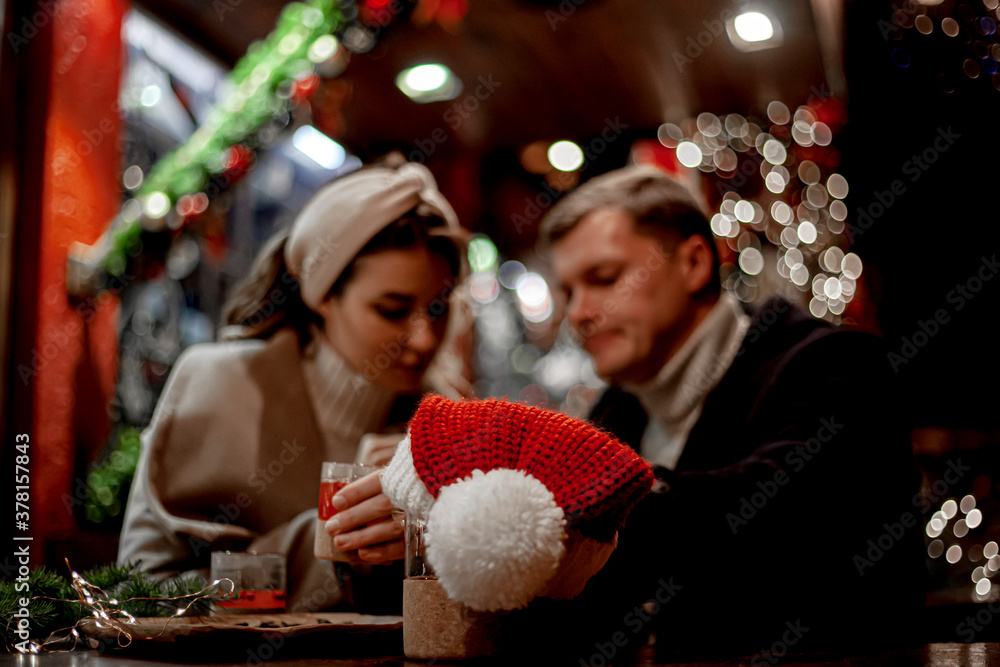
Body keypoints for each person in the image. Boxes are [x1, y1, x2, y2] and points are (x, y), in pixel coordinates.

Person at [534, 165, 923, 659]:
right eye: (567, 292)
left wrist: (558, 484)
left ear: (695, 263)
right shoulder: (617, 409)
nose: (578, 313)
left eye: (604, 278)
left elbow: (769, 520)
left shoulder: (833, 365)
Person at [118, 161, 469, 613]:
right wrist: (336, 537)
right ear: (323, 295)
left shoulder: (446, 419)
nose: (424, 339)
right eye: (392, 310)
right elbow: (145, 592)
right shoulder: (218, 384)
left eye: (439, 308)